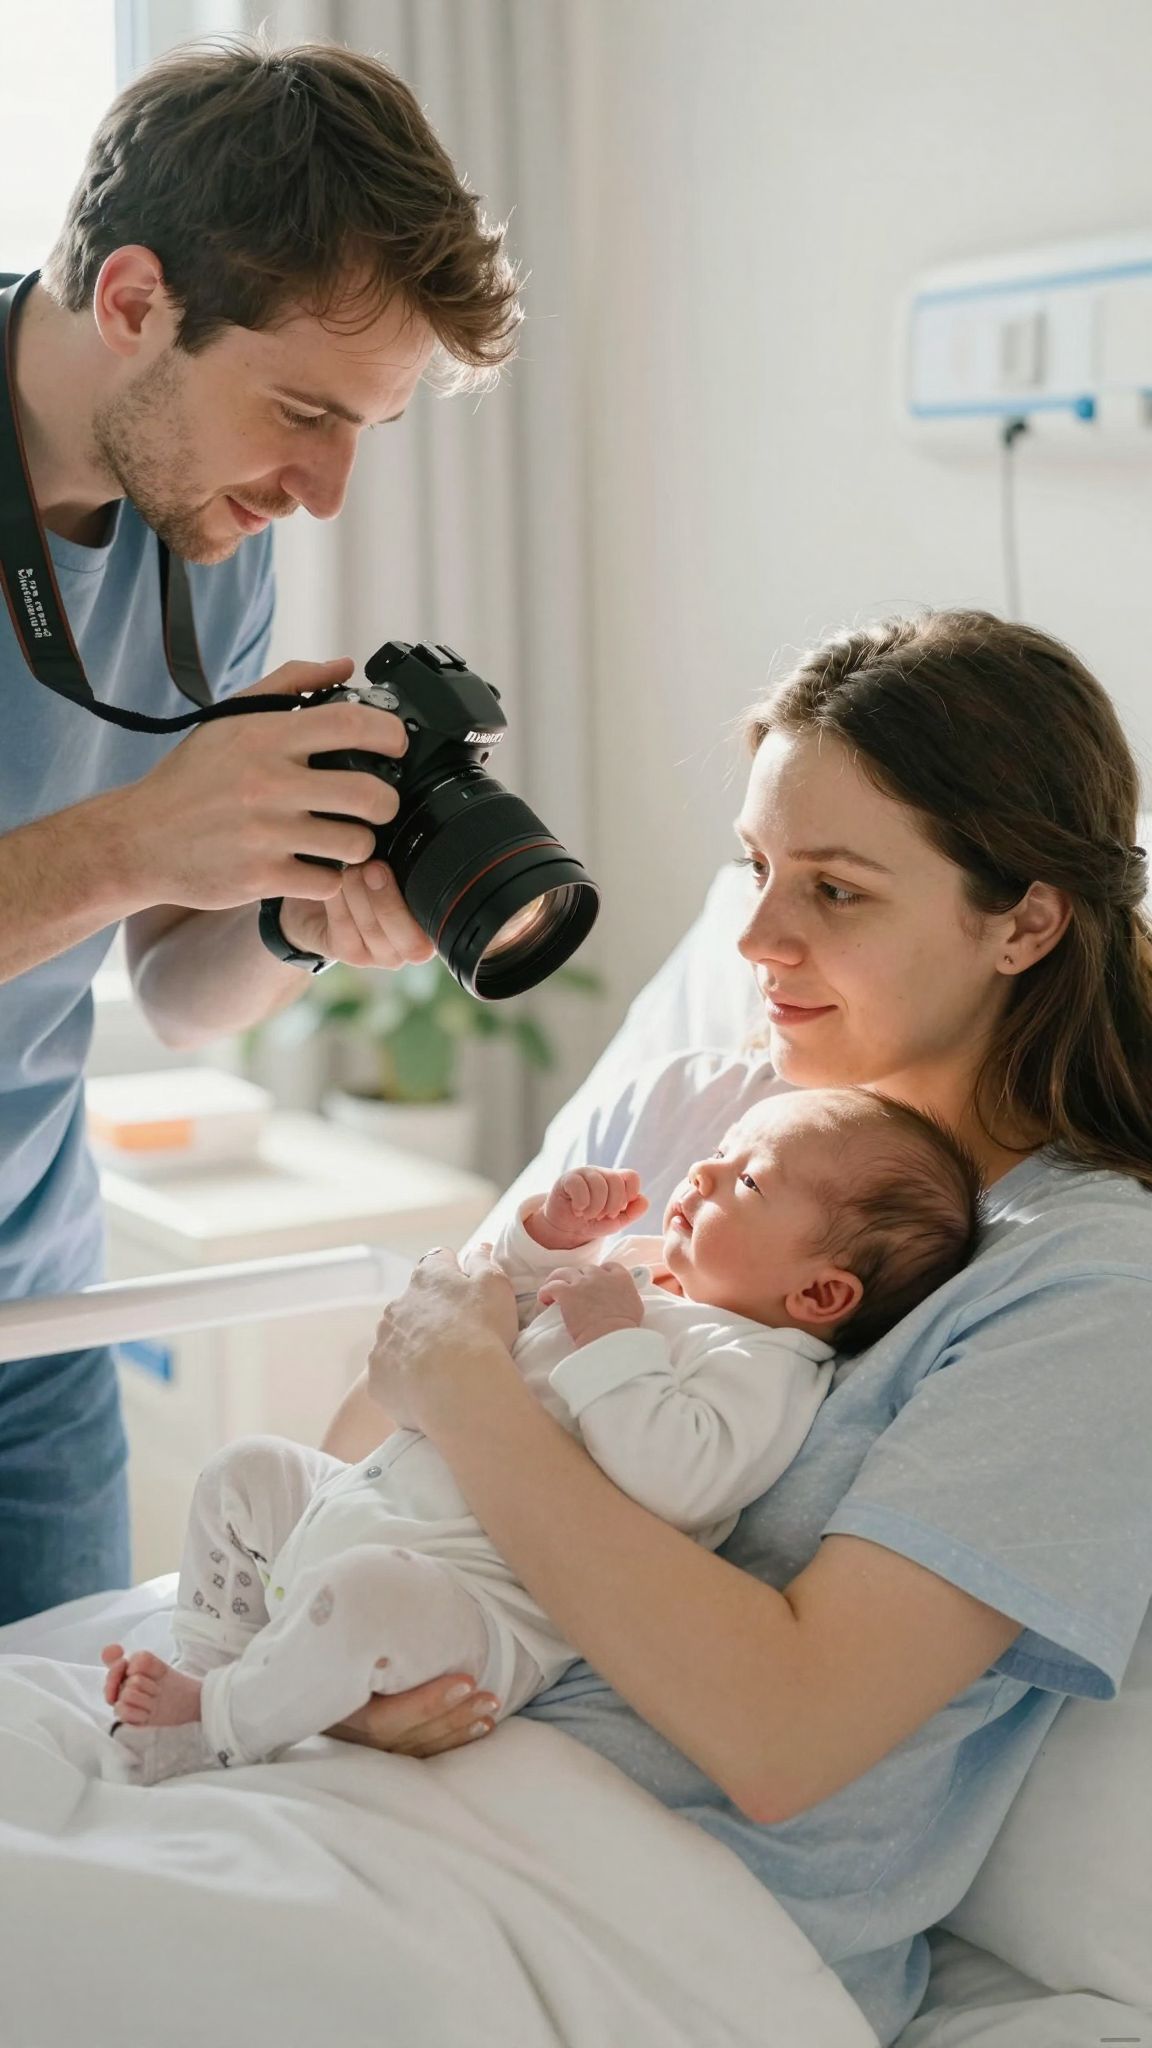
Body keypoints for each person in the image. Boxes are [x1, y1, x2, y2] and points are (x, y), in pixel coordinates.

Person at [313, 609, 1152, 2048]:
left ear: (1024, 921)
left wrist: (479, 1398)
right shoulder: (691, 1108)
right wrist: (340, 1668)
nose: (757, 936)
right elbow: (368, 1440)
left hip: (648, 1920)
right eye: (757, 867)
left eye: (835, 889)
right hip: (391, 1775)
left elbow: (785, 1735)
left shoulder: (1085, 1287)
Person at [0, 36, 521, 1627]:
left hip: (35, 1324)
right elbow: (125, 864)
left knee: (84, 1771)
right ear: (133, 299)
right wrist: (135, 842)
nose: (325, 491)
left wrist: (294, 909)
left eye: (364, 427)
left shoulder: (205, 533)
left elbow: (171, 988)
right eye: (302, 410)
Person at [99, 1086, 982, 1785]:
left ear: (821, 1294)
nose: (705, 1174)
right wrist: (552, 1242)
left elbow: (682, 1479)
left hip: (474, 1601)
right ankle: (206, 1671)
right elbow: (489, 1316)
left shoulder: (762, 1366)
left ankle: (219, 1725)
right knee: (246, 1471)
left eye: (749, 1182)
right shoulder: (645, 1272)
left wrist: (611, 1338)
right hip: (373, 1504)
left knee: (365, 1598)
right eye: (720, 1152)